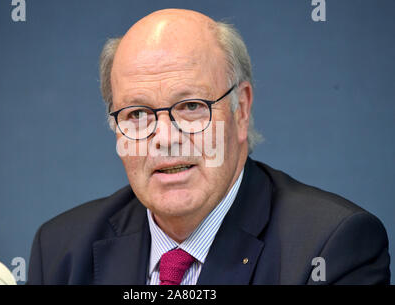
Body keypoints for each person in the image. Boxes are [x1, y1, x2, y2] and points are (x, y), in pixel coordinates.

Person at [27, 9, 390, 285]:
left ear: (242, 110)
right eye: (138, 113)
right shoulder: (61, 250)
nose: (165, 138)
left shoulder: (330, 248)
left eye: (191, 107)